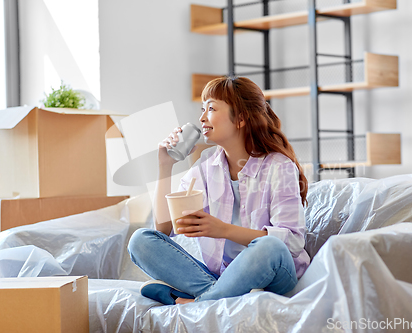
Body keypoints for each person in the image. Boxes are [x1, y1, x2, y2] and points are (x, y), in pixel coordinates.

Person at [128, 76, 310, 305]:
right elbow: (164, 228)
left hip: (275, 273)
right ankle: (216, 295)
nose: (202, 117)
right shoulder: (205, 168)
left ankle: (196, 302)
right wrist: (165, 165)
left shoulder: (278, 166)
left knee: (269, 246)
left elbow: (291, 242)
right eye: (202, 109)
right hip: (224, 276)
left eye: (211, 108)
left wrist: (223, 229)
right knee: (140, 240)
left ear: (241, 119)